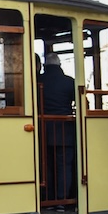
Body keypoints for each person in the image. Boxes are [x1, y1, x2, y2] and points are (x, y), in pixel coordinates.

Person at [38, 52, 76, 203]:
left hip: (43, 131)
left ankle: (47, 198)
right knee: (64, 166)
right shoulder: (68, 82)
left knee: (46, 166)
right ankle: (62, 199)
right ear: (59, 65)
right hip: (64, 131)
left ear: (45, 65)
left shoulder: (39, 80)